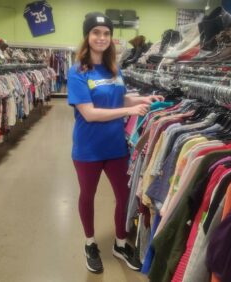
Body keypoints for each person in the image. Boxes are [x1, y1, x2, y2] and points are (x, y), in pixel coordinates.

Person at [67, 12, 164, 274]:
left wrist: (144, 100)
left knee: (123, 196)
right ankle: (90, 243)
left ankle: (120, 243)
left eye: (106, 33)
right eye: (96, 32)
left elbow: (119, 99)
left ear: (111, 38)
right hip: (88, 149)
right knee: (88, 195)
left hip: (115, 147)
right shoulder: (77, 72)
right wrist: (129, 112)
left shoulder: (114, 69)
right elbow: (89, 112)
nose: (101, 37)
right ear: (87, 36)